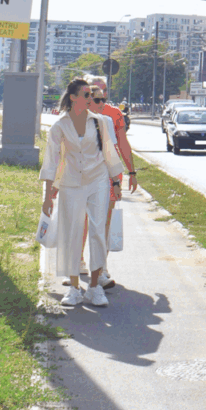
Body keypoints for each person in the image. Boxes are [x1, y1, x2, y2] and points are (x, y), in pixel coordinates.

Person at [41, 79, 126, 307]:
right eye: (87, 95)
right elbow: (51, 162)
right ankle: (75, 289)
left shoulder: (99, 122)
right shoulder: (59, 126)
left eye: (92, 95)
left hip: (97, 180)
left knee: (98, 231)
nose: (92, 99)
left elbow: (109, 153)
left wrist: (117, 182)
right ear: (73, 98)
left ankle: (96, 287)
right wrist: (49, 195)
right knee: (72, 233)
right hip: (71, 183)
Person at [87, 79, 136, 289]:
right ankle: (77, 265)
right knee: (81, 224)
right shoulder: (73, 116)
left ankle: (101, 269)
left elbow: (120, 144)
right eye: (96, 94)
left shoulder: (112, 116)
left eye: (104, 93)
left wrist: (130, 171)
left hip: (107, 175)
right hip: (81, 178)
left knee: (103, 224)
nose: (101, 98)